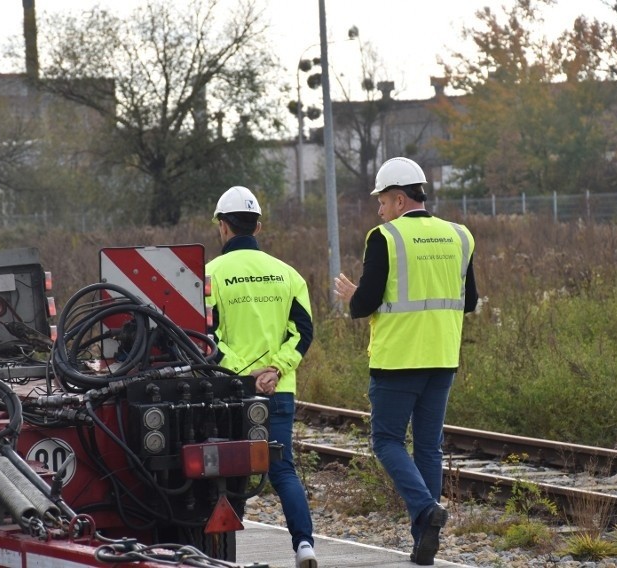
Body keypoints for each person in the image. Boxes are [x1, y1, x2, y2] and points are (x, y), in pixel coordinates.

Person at [333, 157, 478, 566]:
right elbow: (470, 301)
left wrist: (351, 295)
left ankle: (425, 509)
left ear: (399, 199)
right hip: (443, 356)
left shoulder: (385, 237)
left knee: (387, 441)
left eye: (382, 201)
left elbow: (365, 305)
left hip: (398, 359)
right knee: (428, 447)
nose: (379, 210)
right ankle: (423, 542)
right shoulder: (460, 236)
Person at [205, 185, 318, 568]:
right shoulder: (288, 274)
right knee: (282, 468)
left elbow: (207, 335)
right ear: (258, 226)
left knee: (227, 467)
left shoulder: (210, 275)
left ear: (223, 227)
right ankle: (305, 546)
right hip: (278, 389)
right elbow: (303, 331)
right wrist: (275, 369)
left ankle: (225, 555)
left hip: (228, 390)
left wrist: (243, 372)